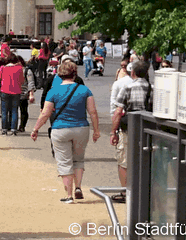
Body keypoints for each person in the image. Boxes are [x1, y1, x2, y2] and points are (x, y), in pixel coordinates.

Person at [30, 60, 99, 204]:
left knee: (64, 162)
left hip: (60, 128)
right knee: (78, 159)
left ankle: (69, 195)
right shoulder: (84, 90)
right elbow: (92, 112)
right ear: (75, 74)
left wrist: (36, 128)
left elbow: (45, 113)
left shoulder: (53, 91)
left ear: (60, 74)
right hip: (81, 128)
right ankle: (78, 187)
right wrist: (96, 130)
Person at [108, 61, 152, 203]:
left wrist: (113, 132)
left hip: (129, 129)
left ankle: (125, 192)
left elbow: (118, 112)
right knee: (145, 160)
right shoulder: (153, 89)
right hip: (148, 131)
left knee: (124, 161)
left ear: (132, 73)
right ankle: (145, 191)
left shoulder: (127, 88)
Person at [0, 56, 25, 136]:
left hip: (5, 90)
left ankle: (4, 129)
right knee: (15, 110)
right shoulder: (19, 68)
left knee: (4, 111)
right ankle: (13, 129)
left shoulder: (2, 68)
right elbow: (22, 81)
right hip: (16, 91)